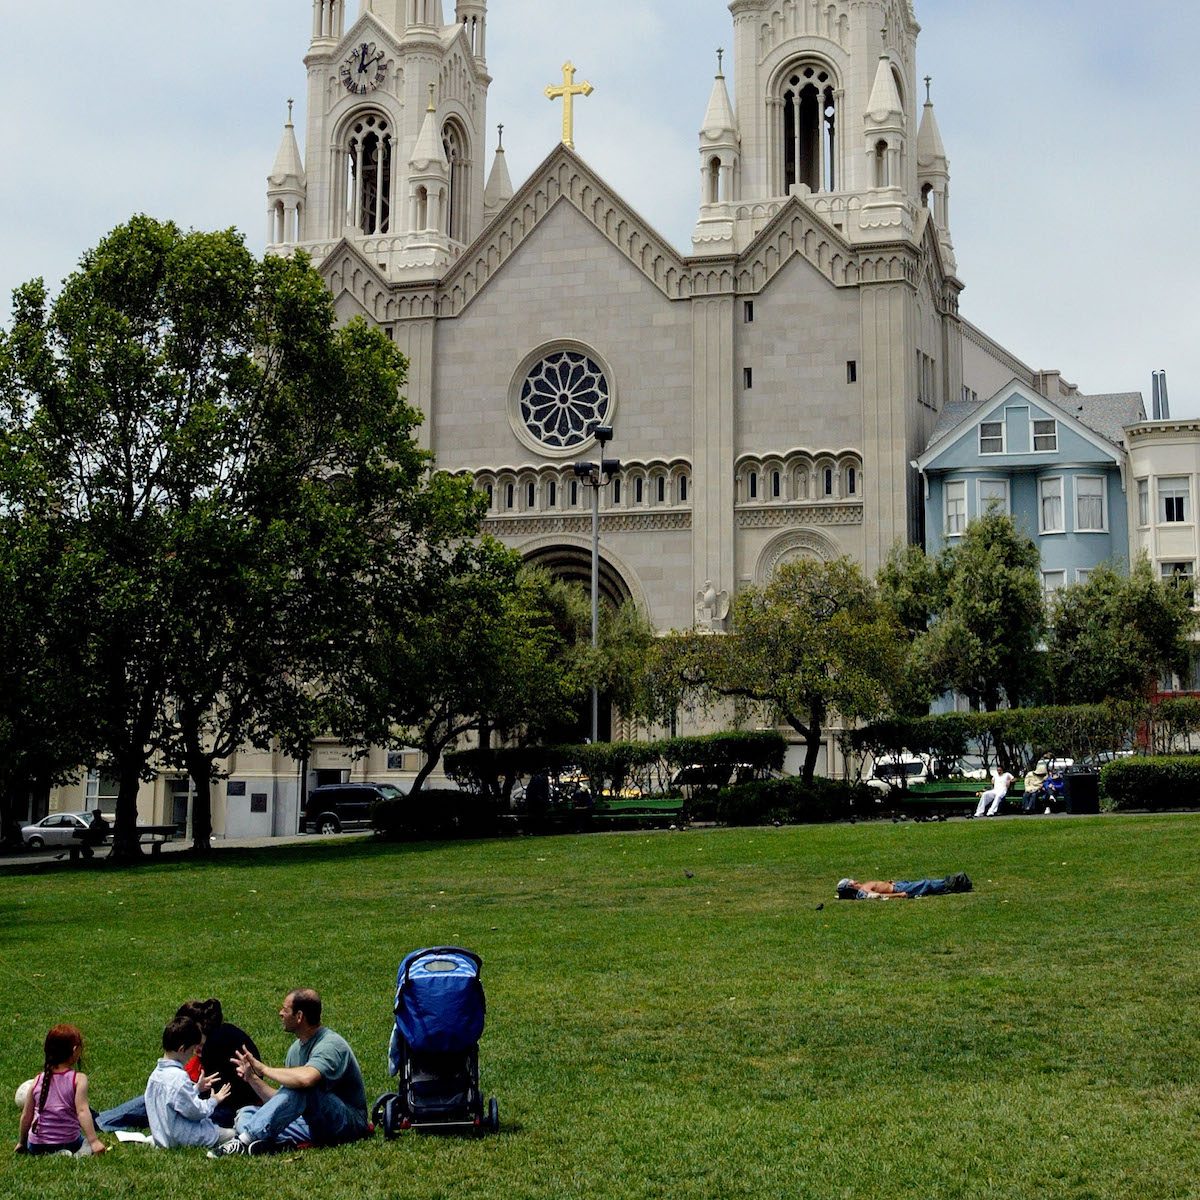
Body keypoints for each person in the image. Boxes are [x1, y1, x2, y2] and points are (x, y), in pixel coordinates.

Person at [210, 988, 368, 1157]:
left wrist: (264, 1069)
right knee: (247, 1112)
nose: (280, 1013)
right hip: (311, 1124)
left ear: (299, 1016)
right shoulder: (295, 1050)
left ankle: (244, 1141)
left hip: (348, 1124)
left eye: (285, 1010)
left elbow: (306, 1080)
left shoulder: (331, 1045)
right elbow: (285, 1101)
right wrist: (252, 1079)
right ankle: (273, 1144)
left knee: (304, 1087)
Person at [145, 1016, 236, 1150]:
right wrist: (214, 1100)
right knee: (232, 1134)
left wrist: (197, 1088)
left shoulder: (155, 1076)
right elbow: (195, 1112)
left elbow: (175, 1099)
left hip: (162, 1136)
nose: (193, 1054)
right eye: (192, 1049)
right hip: (183, 1137)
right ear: (182, 1049)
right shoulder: (179, 1077)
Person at [15, 1025, 106, 1156]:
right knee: (85, 1143)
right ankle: (71, 1152)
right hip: (69, 1141)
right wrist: (94, 1141)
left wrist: (22, 1143)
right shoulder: (78, 1079)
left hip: (36, 1145)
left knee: (38, 1144)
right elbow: (82, 1111)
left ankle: (54, 1152)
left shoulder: (38, 1079)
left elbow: (26, 1116)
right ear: (75, 1050)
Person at [836, 874, 973, 900]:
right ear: (850, 885)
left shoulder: (862, 888)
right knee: (926, 884)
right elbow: (879, 896)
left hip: (898, 885)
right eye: (851, 881)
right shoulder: (863, 891)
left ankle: (953, 883)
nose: (854, 880)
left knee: (926, 885)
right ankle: (955, 882)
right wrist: (898, 895)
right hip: (899, 889)